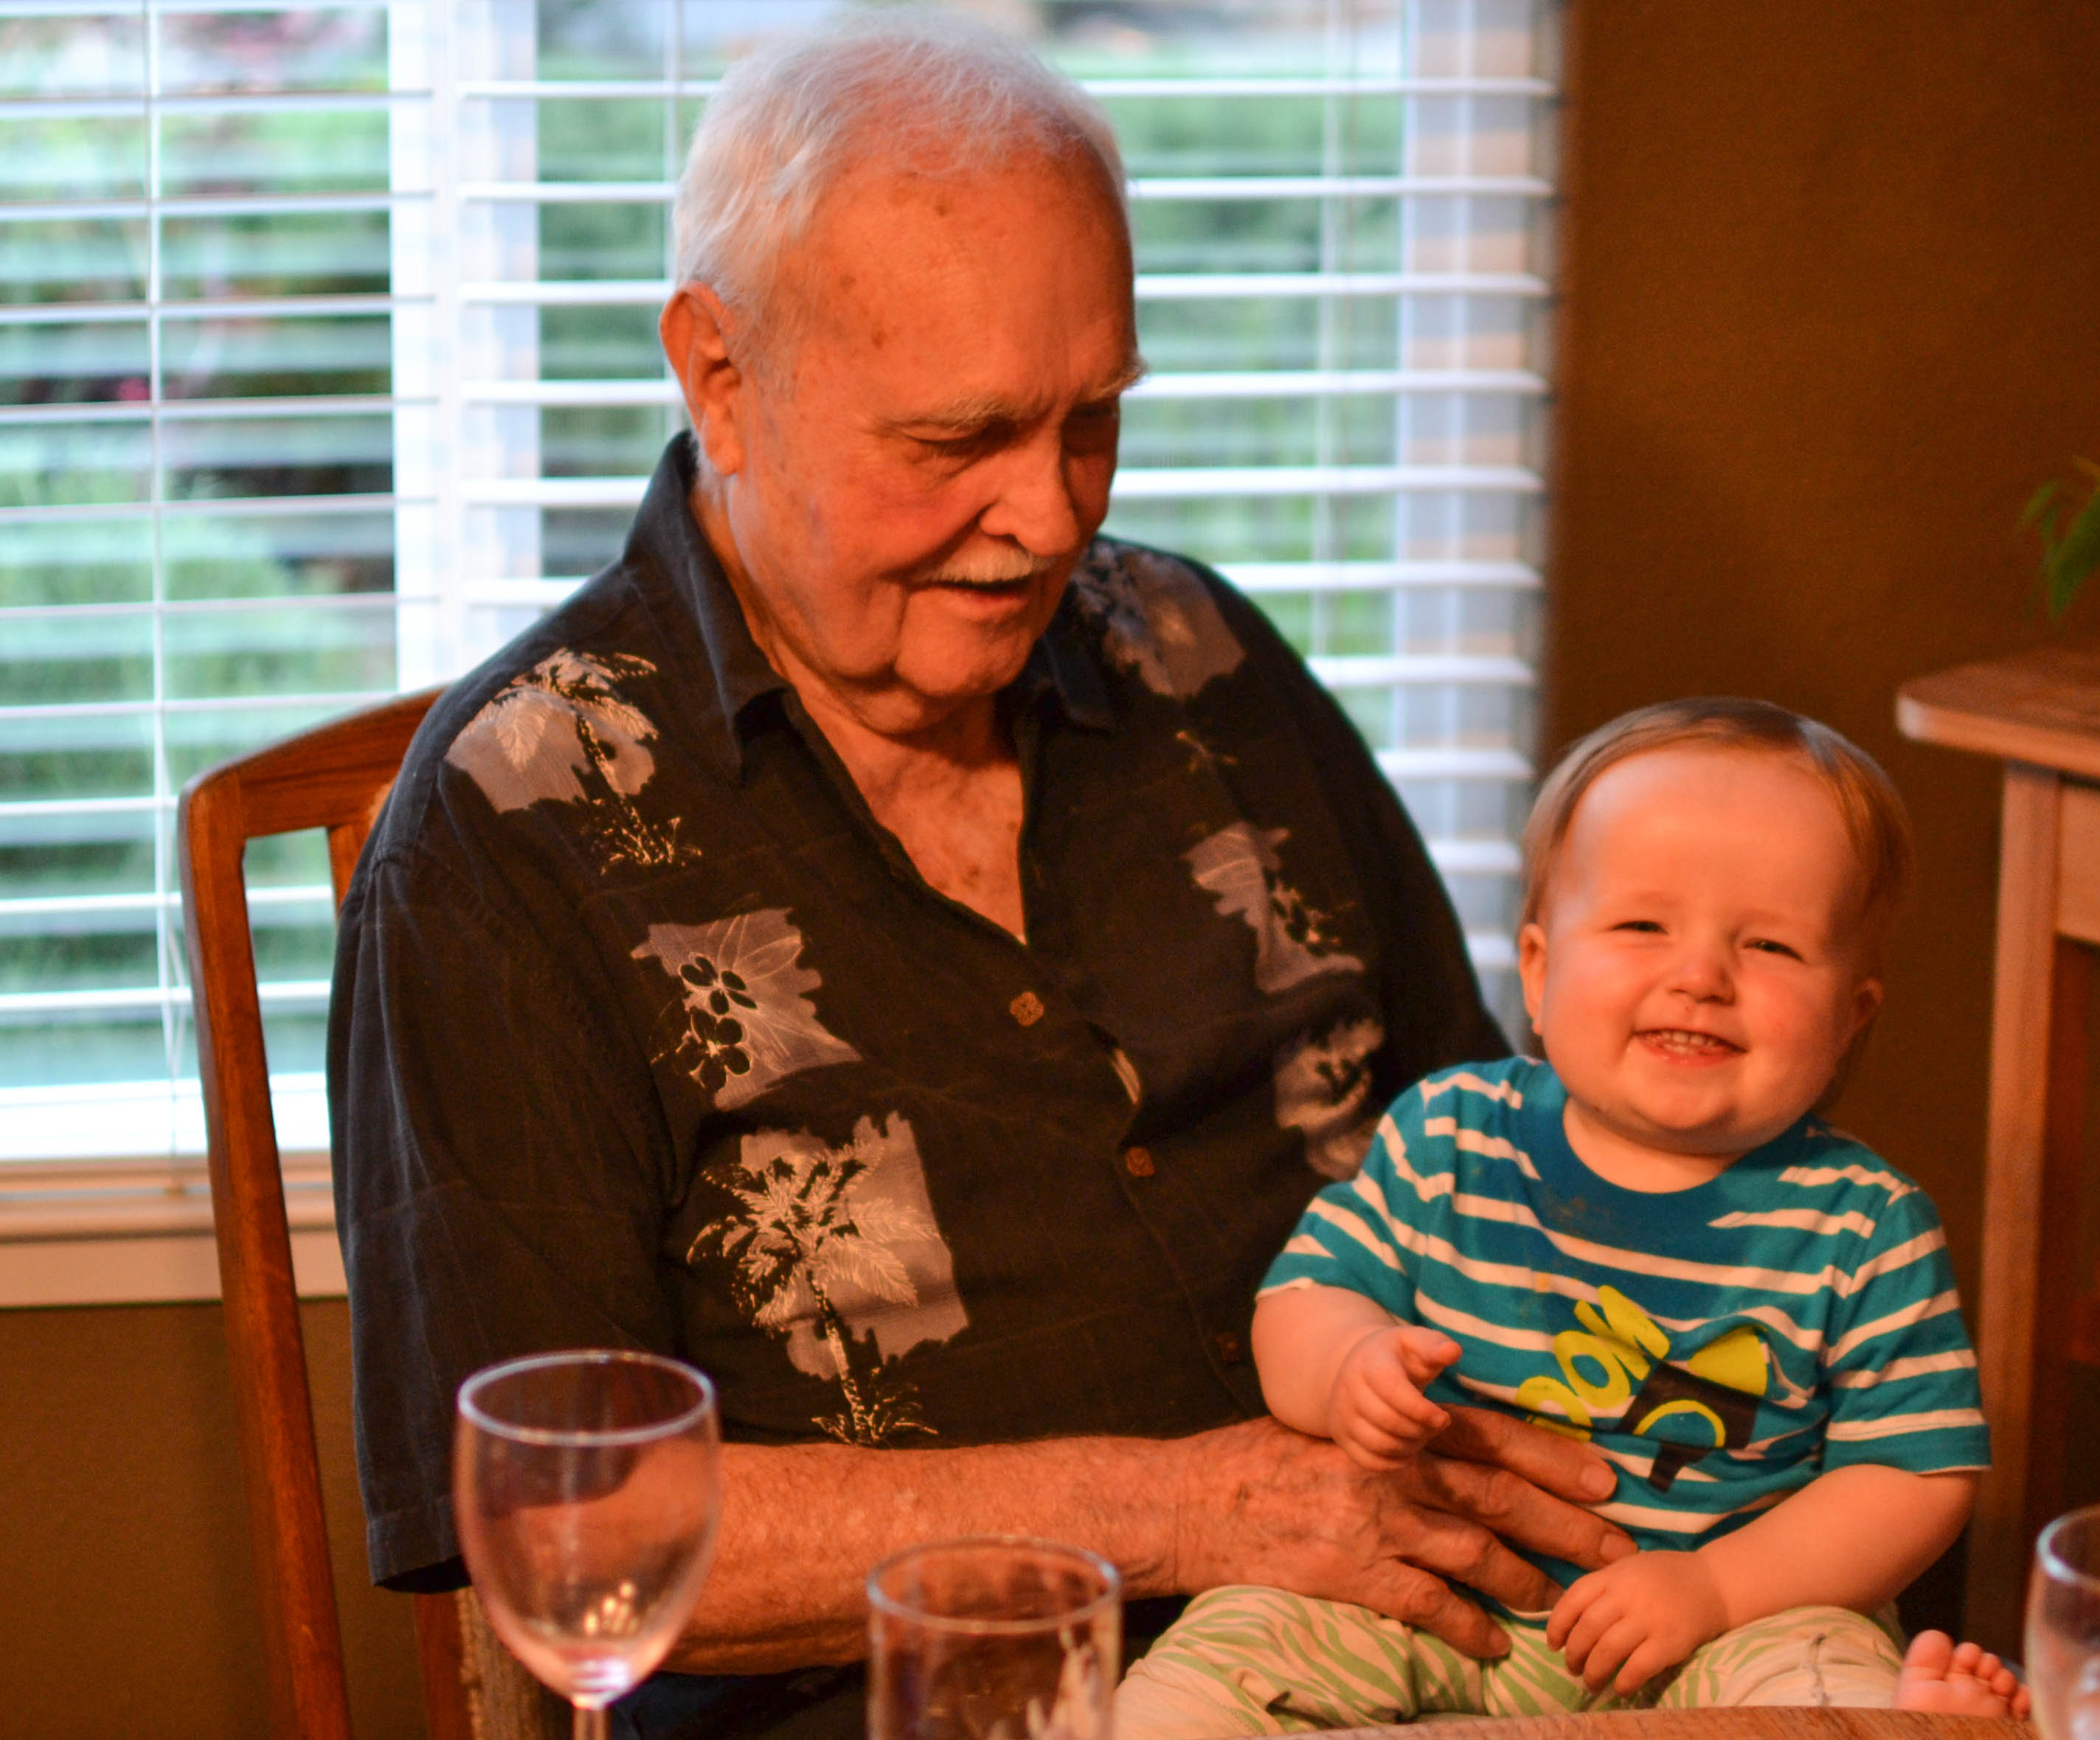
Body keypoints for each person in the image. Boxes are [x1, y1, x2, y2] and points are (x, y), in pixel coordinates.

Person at [329, 13, 1636, 1734]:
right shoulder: (507, 834)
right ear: (718, 376)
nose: (1051, 516)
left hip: (1461, 1653)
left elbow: (1498, 1149)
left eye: (1092, 419)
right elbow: (574, 1525)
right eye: (956, 441)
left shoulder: (1196, 656)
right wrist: (1194, 1507)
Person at [1111, 699, 2032, 1735]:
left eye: (1771, 946)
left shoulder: (1863, 1225)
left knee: (1819, 1671)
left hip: (1719, 1628)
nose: (1700, 977)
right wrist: (1347, 1368)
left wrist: (1717, 1589)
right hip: (1429, 1588)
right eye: (1643, 927)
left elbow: (1912, 1475)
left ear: (1850, 1017)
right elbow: (1304, 1299)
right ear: (1540, 973)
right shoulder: (1452, 1136)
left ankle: (1913, 1724)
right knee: (1234, 1645)